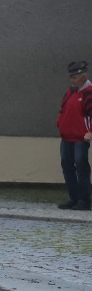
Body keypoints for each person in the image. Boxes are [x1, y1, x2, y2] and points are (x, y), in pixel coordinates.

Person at [57, 59, 92, 210]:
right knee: (67, 166)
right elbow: (63, 108)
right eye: (71, 76)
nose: (72, 79)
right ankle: (74, 198)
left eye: (75, 76)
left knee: (81, 166)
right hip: (66, 137)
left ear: (83, 76)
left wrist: (90, 132)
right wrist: (60, 122)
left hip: (80, 138)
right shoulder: (70, 91)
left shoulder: (89, 92)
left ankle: (84, 200)